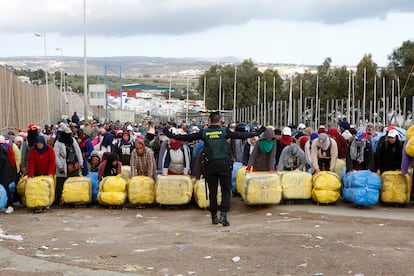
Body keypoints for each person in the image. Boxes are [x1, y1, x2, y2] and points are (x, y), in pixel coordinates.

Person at [163, 111, 265, 226]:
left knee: (212, 192)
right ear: (220, 120)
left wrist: (170, 134)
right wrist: (258, 132)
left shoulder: (204, 132)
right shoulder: (224, 131)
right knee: (226, 190)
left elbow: (187, 137)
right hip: (224, 165)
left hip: (210, 165)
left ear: (209, 121)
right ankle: (224, 214)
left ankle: (214, 216)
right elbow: (241, 135)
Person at [54, 127, 83, 205]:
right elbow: (56, 156)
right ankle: (59, 200)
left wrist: (81, 163)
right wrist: (60, 167)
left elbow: (78, 151)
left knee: (73, 184)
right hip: (63, 166)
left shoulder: (73, 140)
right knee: (61, 185)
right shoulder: (58, 143)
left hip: (74, 165)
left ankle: (72, 199)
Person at [0, 135, 16, 214]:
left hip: (5, 174)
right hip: (4, 173)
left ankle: (10, 205)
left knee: (6, 189)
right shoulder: (4, 150)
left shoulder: (2, 153)